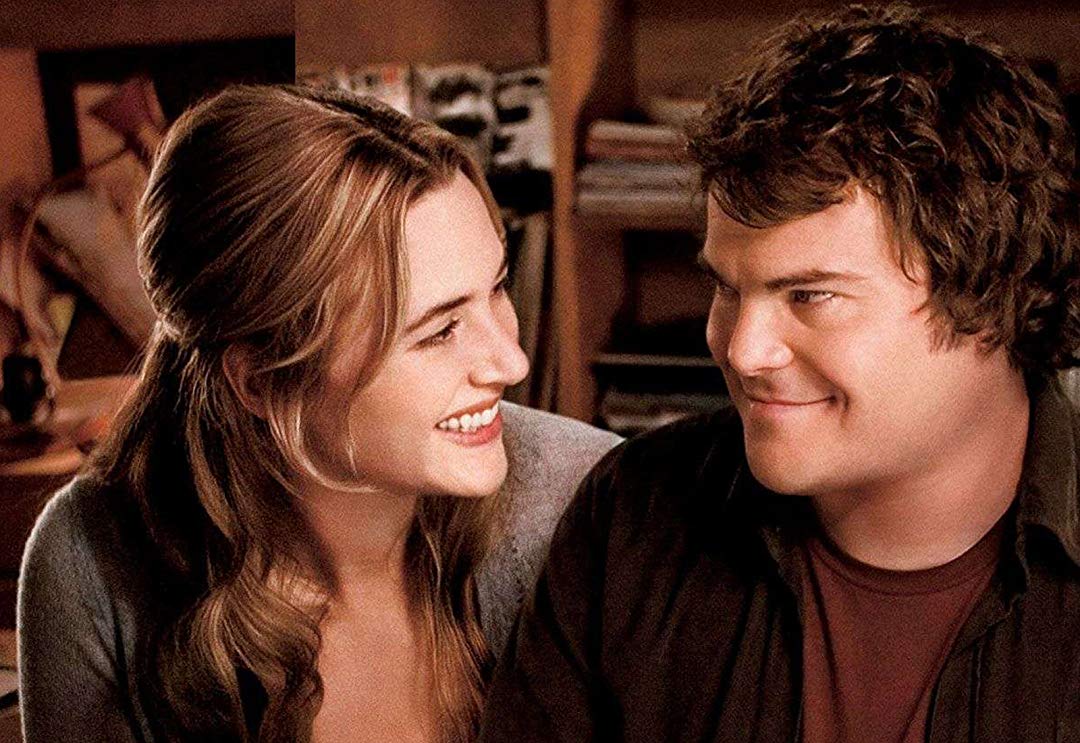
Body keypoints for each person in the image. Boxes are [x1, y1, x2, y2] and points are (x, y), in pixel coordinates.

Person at [478, 4, 1080, 742]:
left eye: (809, 296)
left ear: (991, 296)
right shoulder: (632, 516)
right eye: (727, 288)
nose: (742, 350)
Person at [17, 85, 621, 743]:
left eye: (497, 287)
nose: (511, 362)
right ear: (260, 380)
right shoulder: (89, 563)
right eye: (440, 330)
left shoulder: (590, 503)